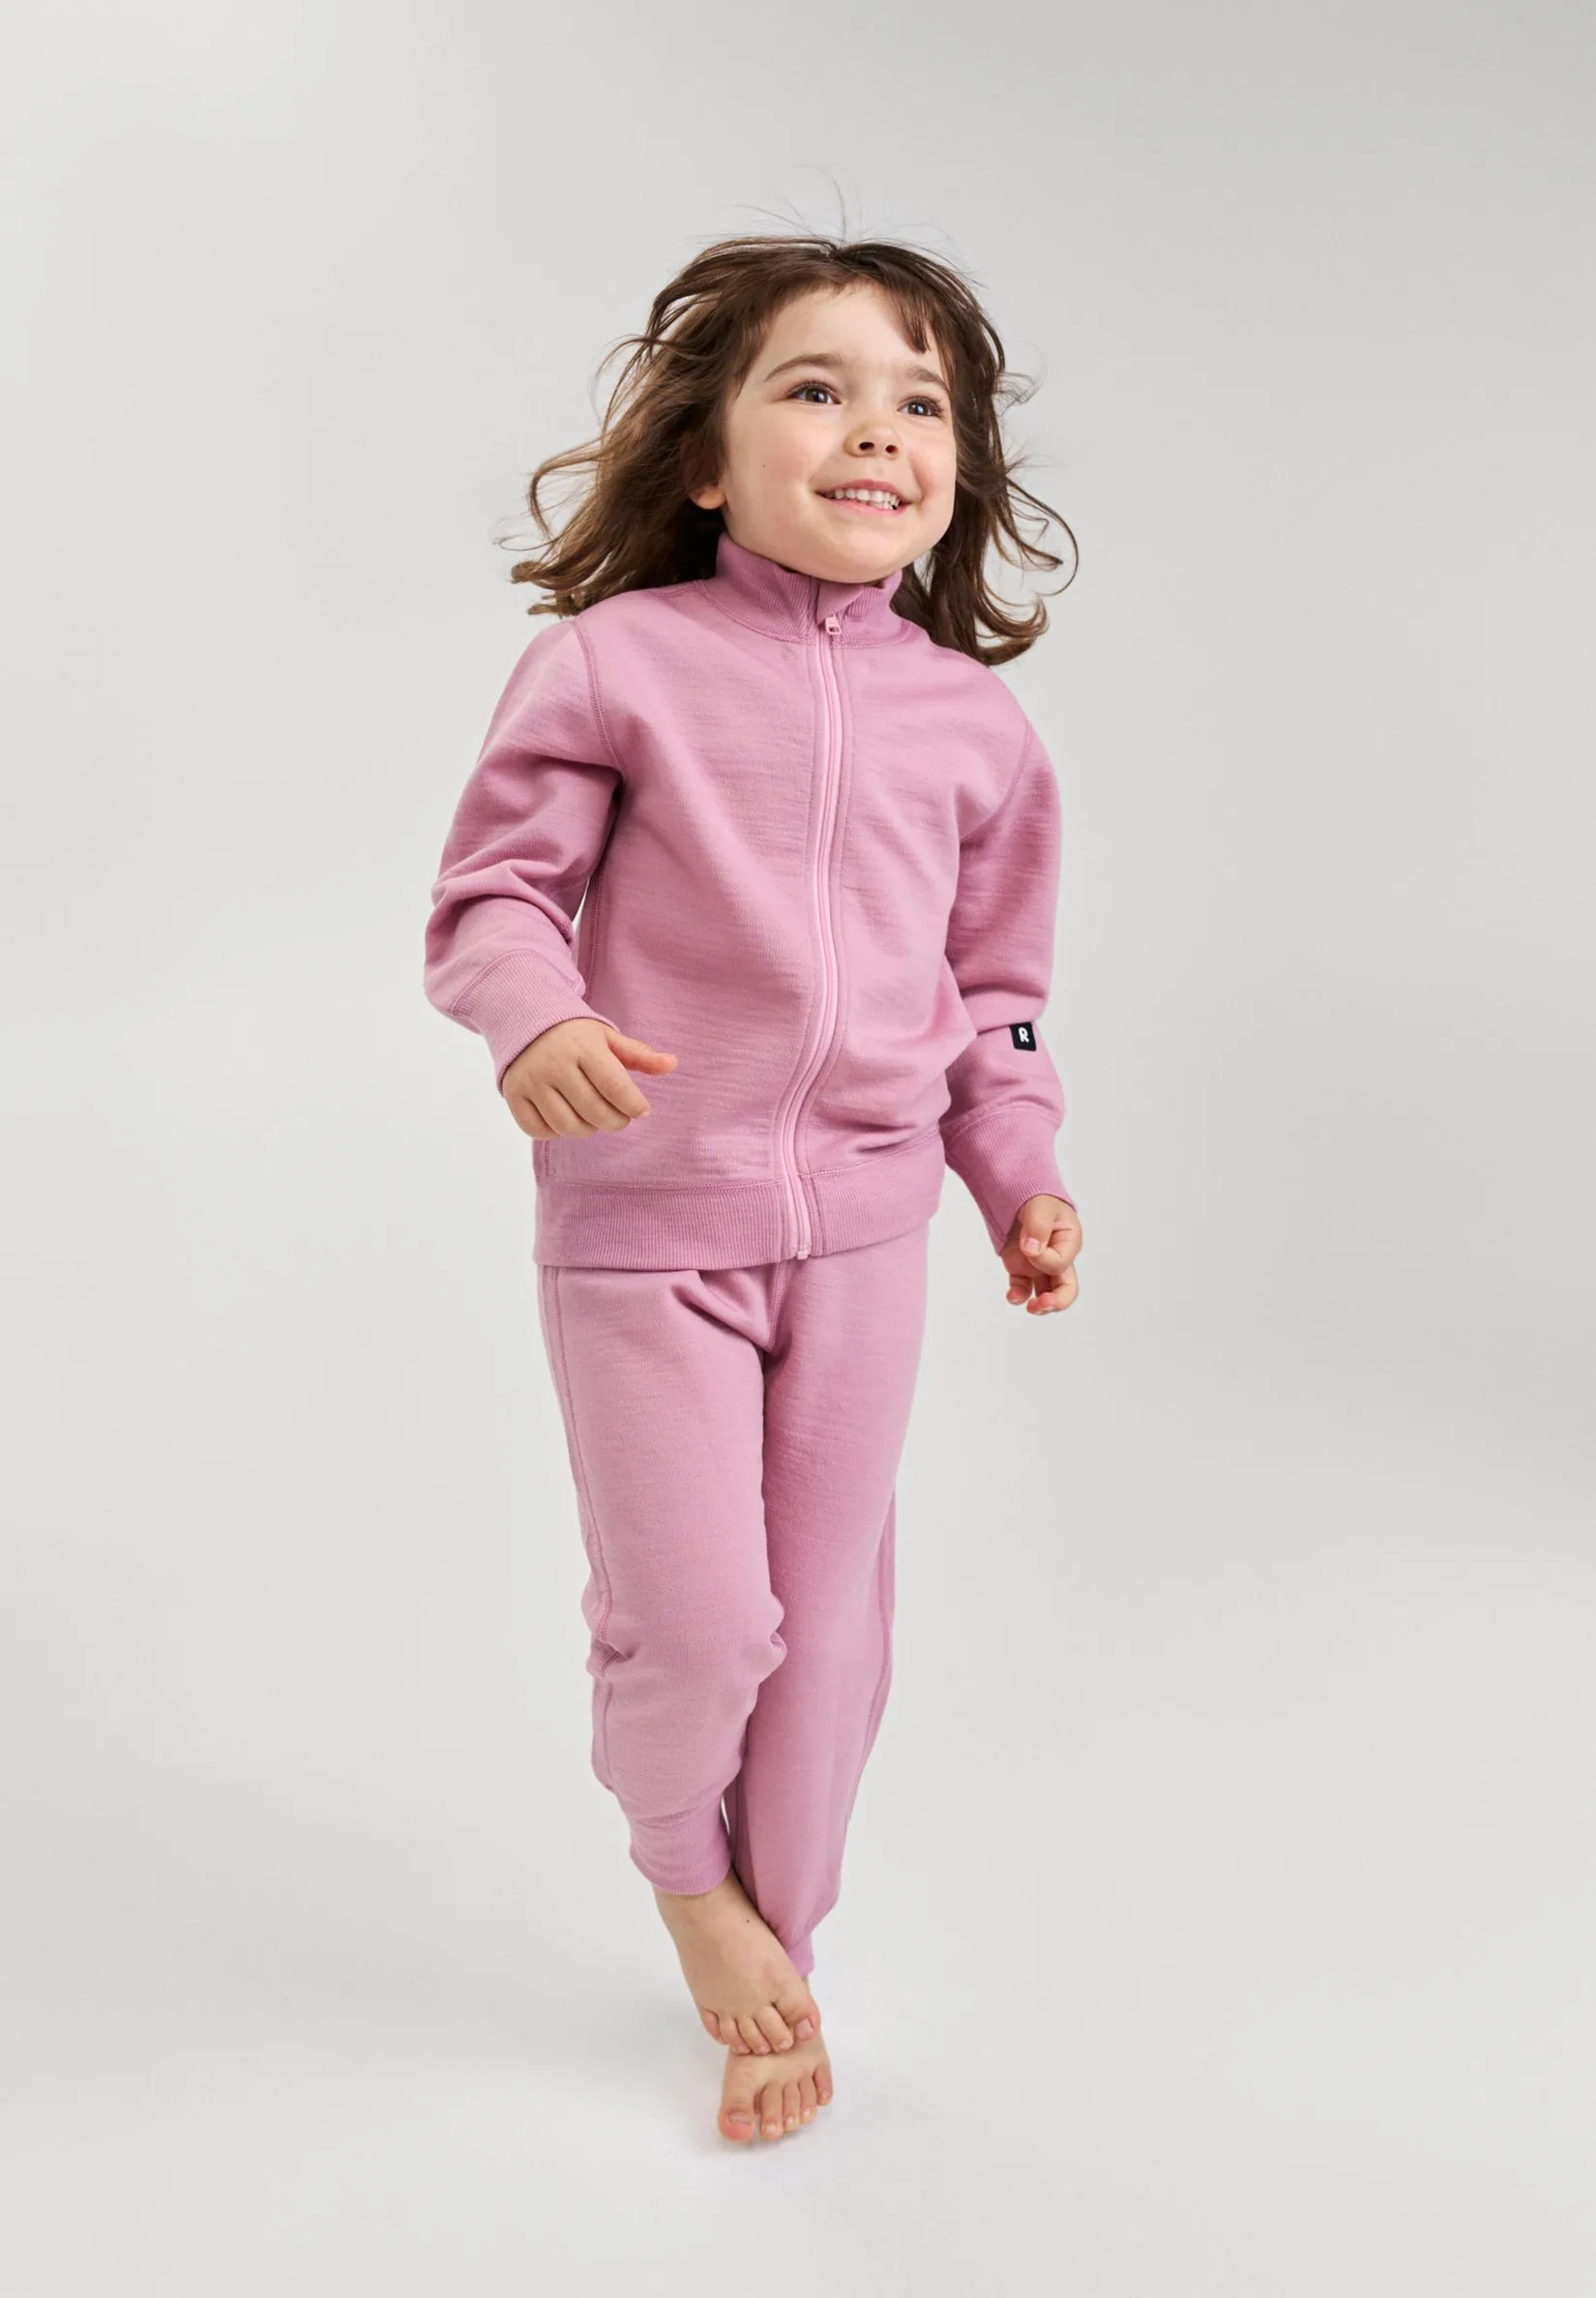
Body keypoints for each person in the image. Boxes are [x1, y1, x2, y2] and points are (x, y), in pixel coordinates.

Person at [423, 232, 1083, 2145]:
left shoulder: (978, 729)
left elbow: (1000, 994)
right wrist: (534, 1016)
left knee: (831, 1642)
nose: (875, 428)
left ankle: (769, 1948)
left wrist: (1018, 1171)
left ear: (953, 470)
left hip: (869, 1237)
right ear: (708, 461)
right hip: (646, 1229)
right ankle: (679, 1873)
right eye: (816, 387)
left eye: (918, 401)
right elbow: (492, 899)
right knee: (702, 1625)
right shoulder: (613, 667)